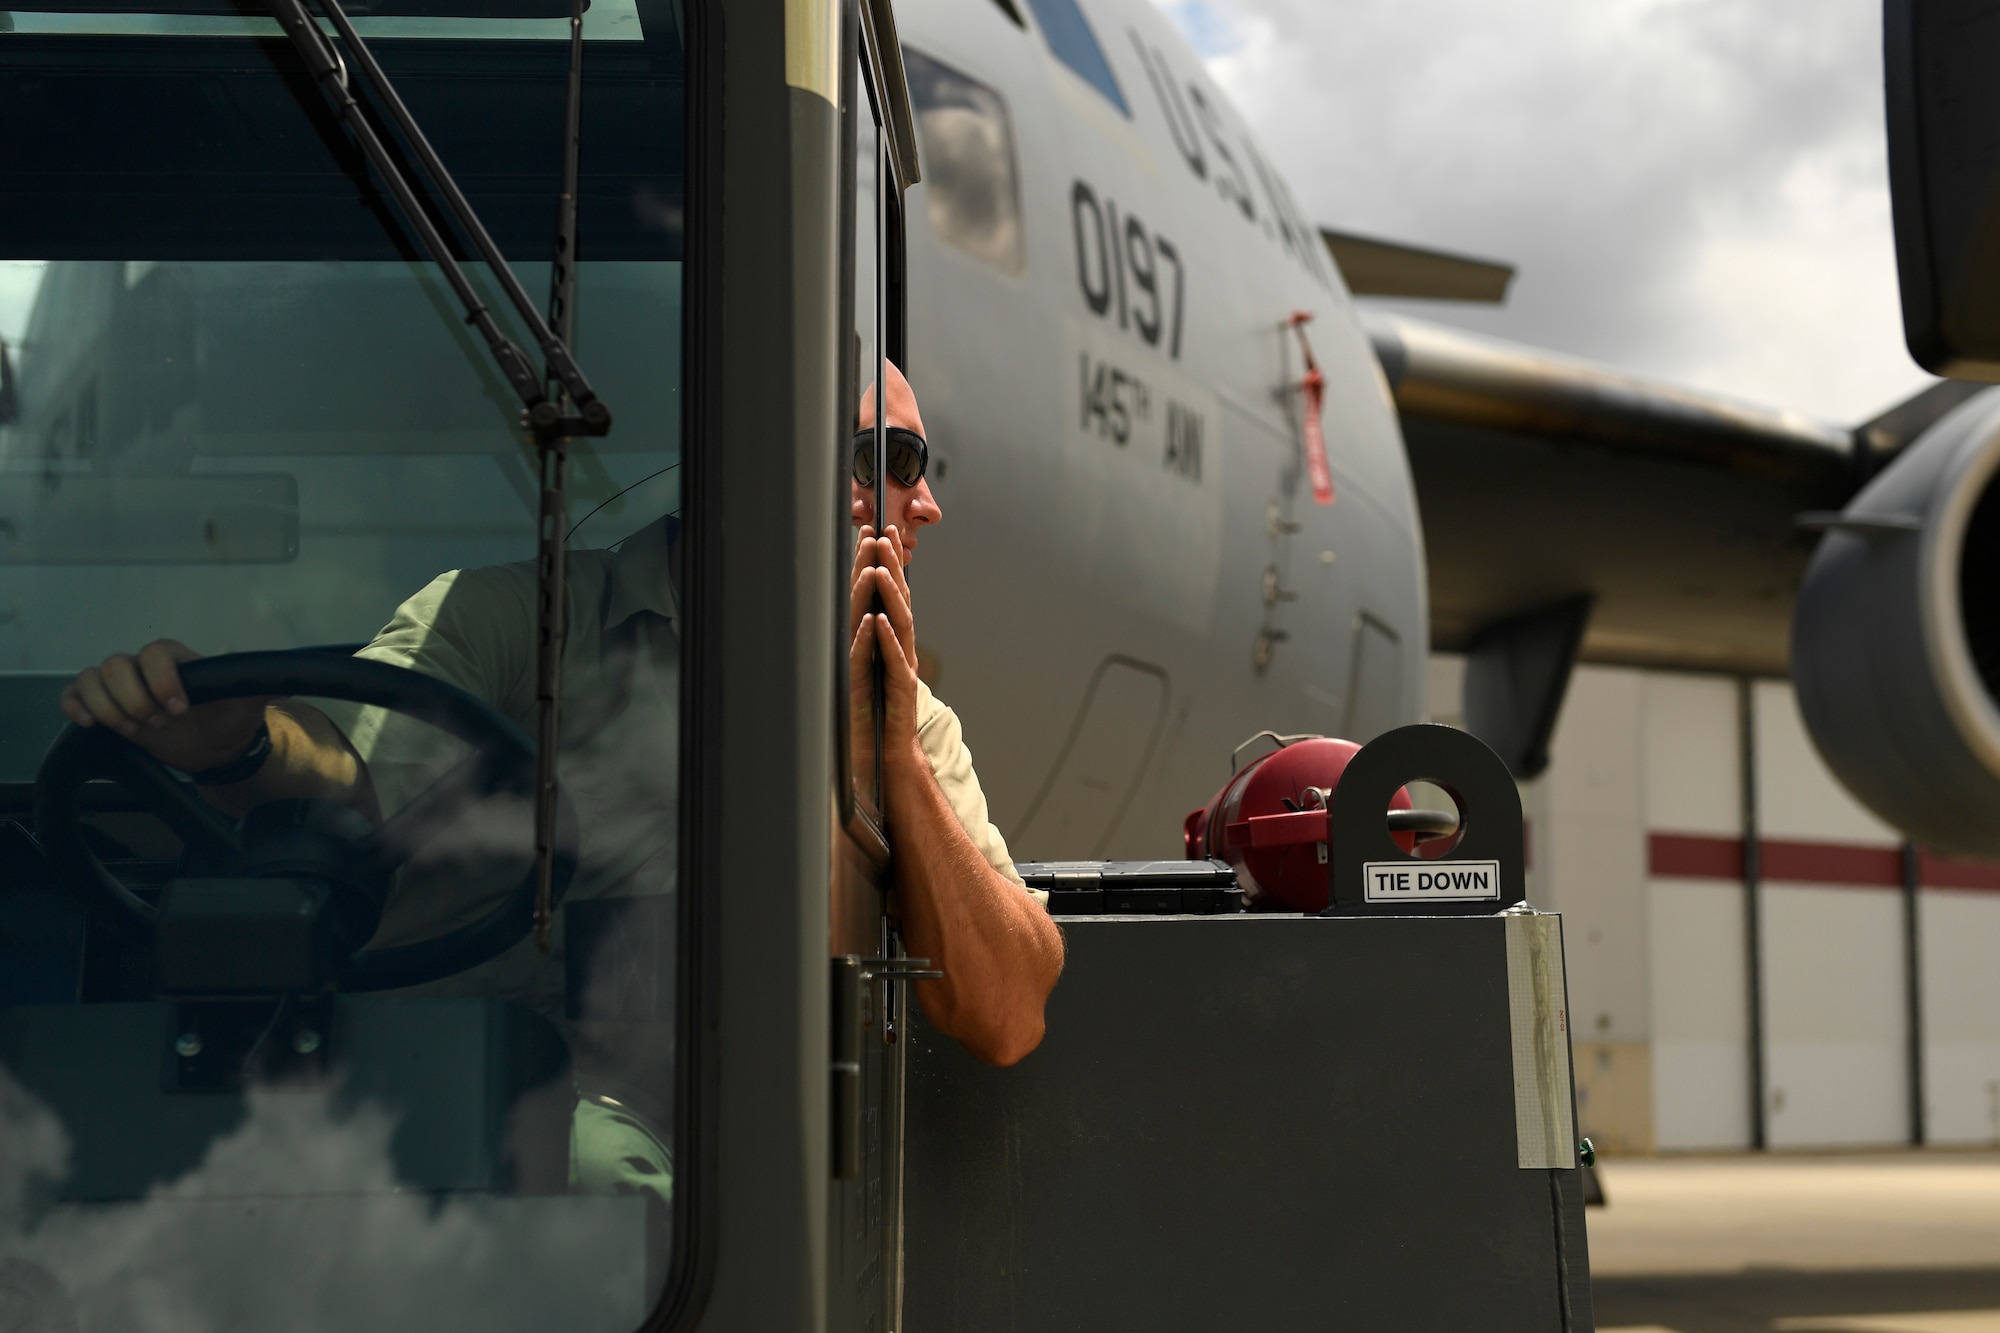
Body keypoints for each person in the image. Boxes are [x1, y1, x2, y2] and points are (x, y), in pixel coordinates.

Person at [56, 361, 1062, 1197]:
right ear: (771, 461)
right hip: (420, 1127)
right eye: (889, 460)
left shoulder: (904, 723)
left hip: (705, 1204)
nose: (923, 503)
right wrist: (239, 741)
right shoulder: (505, 628)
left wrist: (889, 759)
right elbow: (344, 788)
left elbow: (1009, 1010)